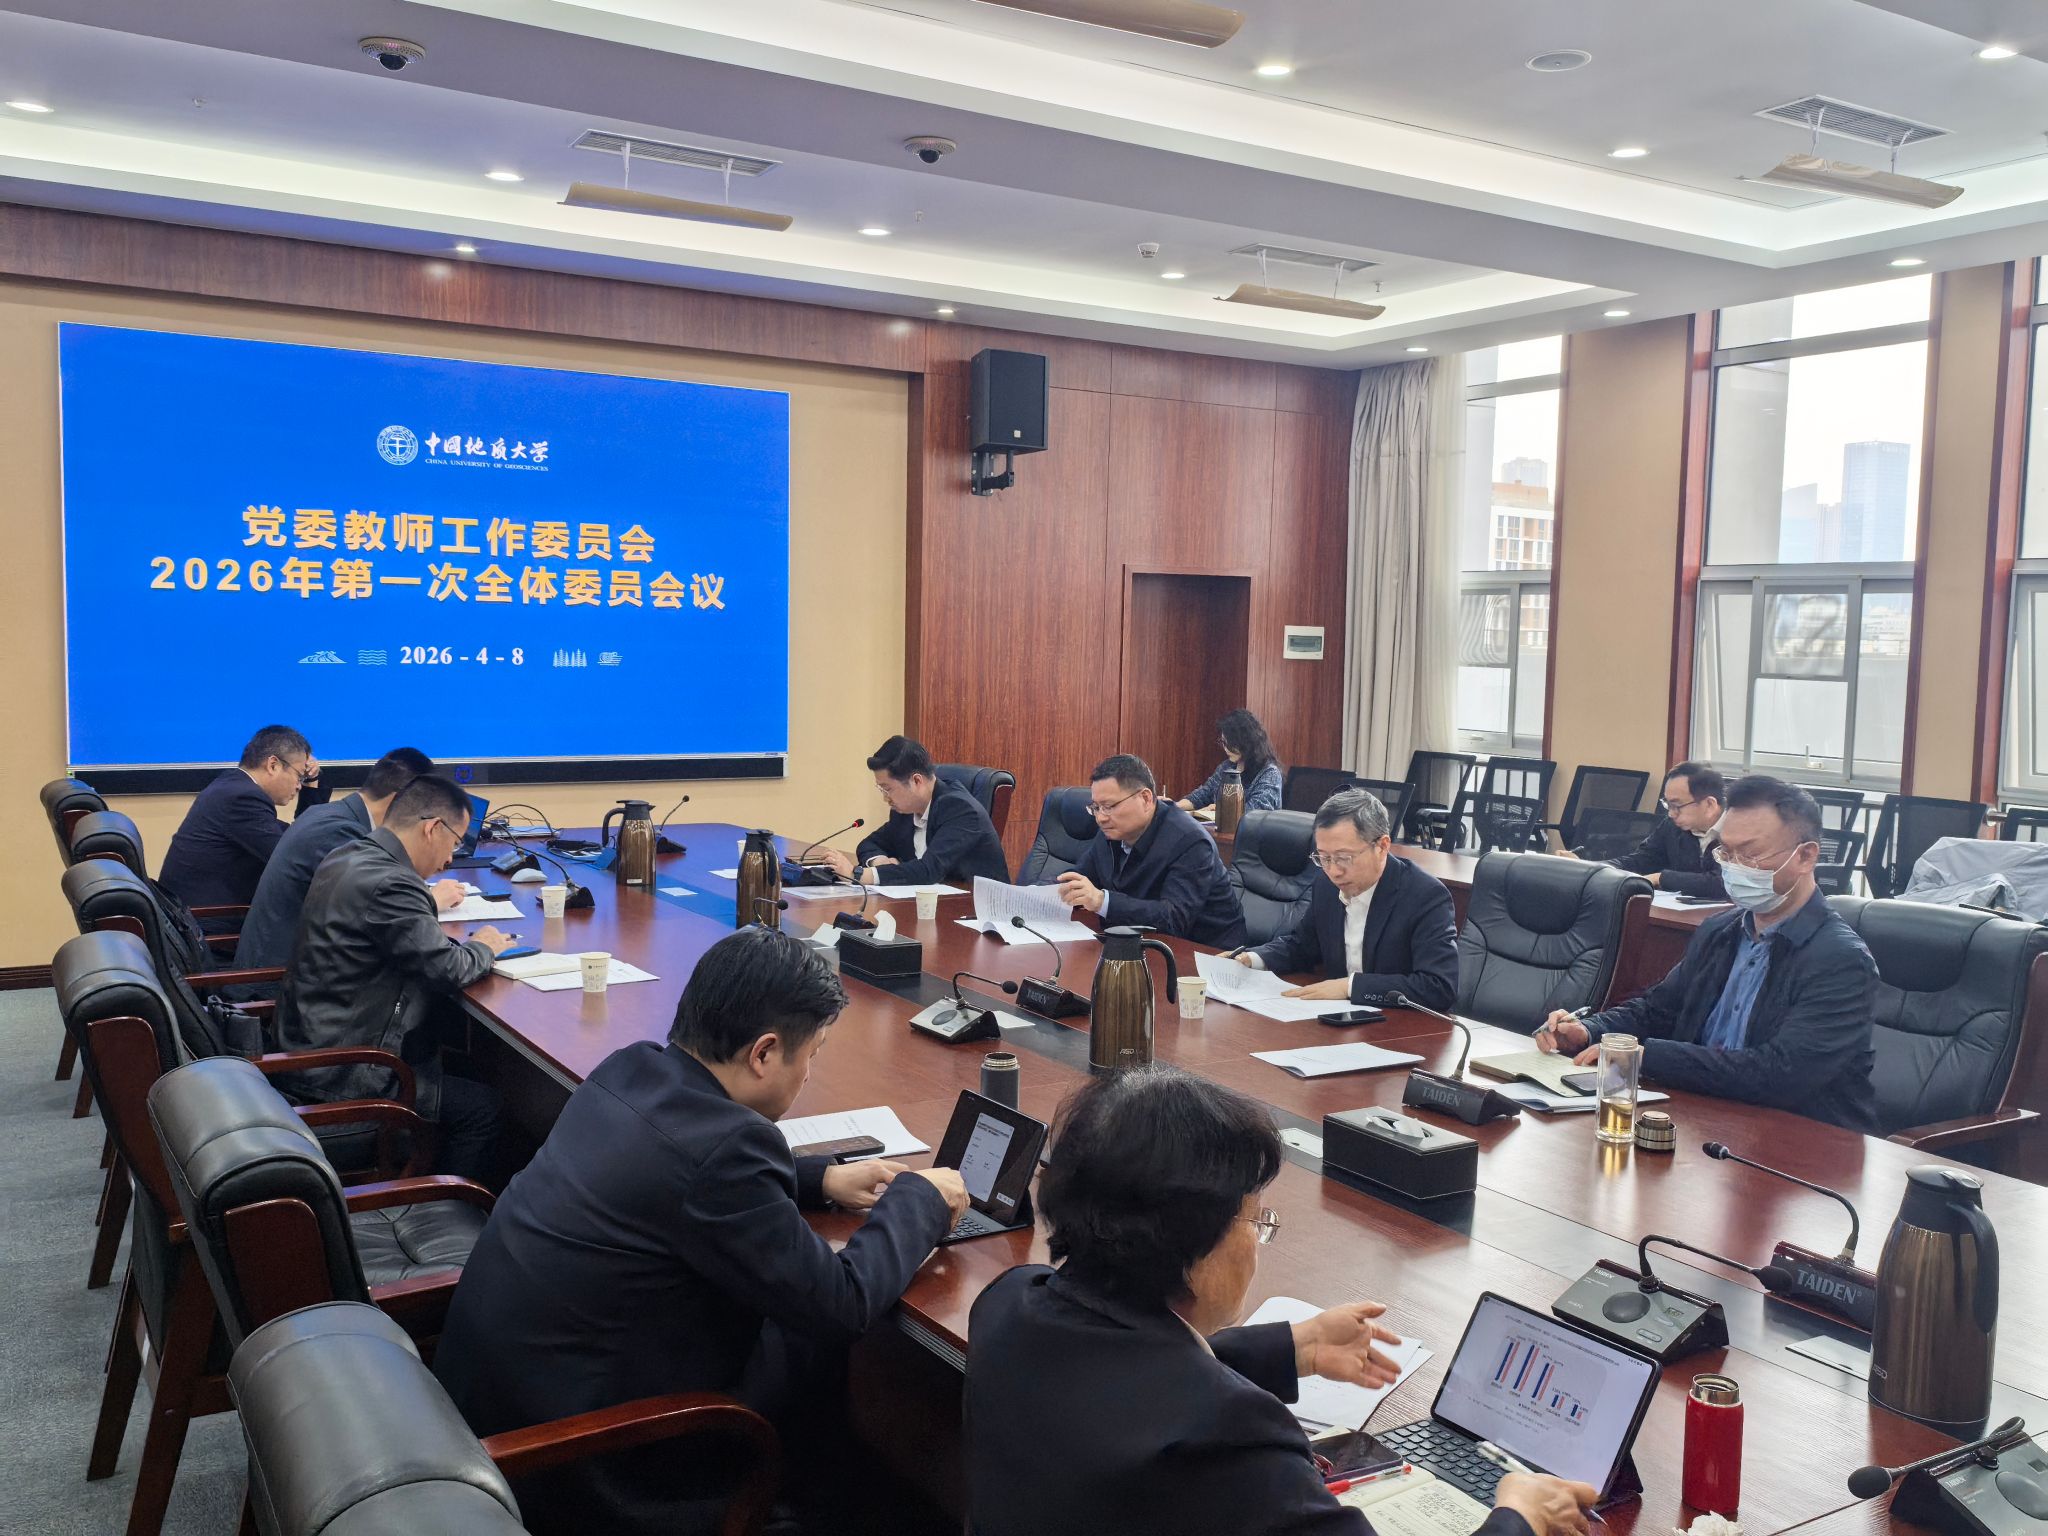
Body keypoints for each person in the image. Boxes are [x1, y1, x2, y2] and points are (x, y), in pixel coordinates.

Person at [433, 926, 967, 1536]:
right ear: (764, 1053)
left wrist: (821, 1178)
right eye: (813, 1053)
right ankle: (820, 1502)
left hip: (498, 1407)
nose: (809, 1071)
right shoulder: (729, 1151)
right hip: (587, 1464)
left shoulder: (630, 1069)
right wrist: (920, 1201)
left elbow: (680, 1169)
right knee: (815, 1332)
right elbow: (841, 1304)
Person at [966, 1066, 1598, 1536]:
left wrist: (1290, 1348)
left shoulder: (1009, 1304)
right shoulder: (1230, 1433)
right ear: (1191, 1243)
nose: (1258, 1239)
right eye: (1254, 1219)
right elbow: (1176, 1408)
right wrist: (1519, 1516)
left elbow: (1130, 1381)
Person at [1534, 775, 1878, 1131]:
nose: (1734, 866)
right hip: (1705, 1117)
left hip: (1802, 1139)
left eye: (1750, 854)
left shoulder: (1841, 960)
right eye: (1726, 853)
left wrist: (1648, 1058)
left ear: (1805, 857)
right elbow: (1657, 1010)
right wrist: (1590, 1030)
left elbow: (1780, 1074)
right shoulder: (1721, 930)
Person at [273, 774, 517, 1181]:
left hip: (312, 1043)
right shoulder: (392, 882)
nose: (450, 859)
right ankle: (443, 1207)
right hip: (344, 1072)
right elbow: (449, 968)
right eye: (455, 843)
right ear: (432, 828)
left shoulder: (348, 854)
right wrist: (486, 947)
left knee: (465, 1063)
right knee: (484, 1109)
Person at [231, 747, 460, 980]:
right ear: (398, 801)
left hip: (289, 968)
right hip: (273, 981)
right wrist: (431, 901)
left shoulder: (328, 814)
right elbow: (380, 913)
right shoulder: (342, 835)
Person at [1237, 788, 1458, 1011]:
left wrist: (1350, 987)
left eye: (1344, 858)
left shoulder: (1425, 896)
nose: (1334, 871)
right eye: (1324, 858)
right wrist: (1253, 958)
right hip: (1338, 1018)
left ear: (1382, 846)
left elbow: (1438, 986)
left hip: (1399, 1023)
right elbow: (1302, 945)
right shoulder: (1325, 885)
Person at [1057, 754, 1246, 947]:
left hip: (1204, 953)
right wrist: (1056, 890)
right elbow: (1081, 877)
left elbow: (1173, 919)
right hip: (1138, 943)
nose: (1101, 818)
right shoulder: (1111, 832)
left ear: (1146, 799)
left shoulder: (1190, 841)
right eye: (1096, 807)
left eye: (1109, 806)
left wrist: (1101, 901)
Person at [157, 724, 320, 920]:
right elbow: (295, 859)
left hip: (194, 914)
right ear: (273, 765)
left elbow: (297, 838)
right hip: (206, 924)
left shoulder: (233, 786)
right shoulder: (242, 798)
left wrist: (312, 781)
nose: (299, 786)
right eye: (300, 776)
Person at [818, 734, 1010, 887]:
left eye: (887, 789)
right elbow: (869, 844)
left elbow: (929, 871)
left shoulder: (960, 809)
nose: (885, 798)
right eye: (881, 789)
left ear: (916, 781)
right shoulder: (904, 811)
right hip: (926, 906)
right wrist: (879, 862)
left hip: (973, 912)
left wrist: (858, 874)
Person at [1562, 762, 1725, 897]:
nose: (1671, 813)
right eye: (1667, 804)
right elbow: (1641, 861)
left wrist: (1661, 878)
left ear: (1709, 804)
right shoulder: (1672, 826)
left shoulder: (1735, 831)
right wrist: (1591, 868)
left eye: (1677, 805)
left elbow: (1723, 883)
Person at [1176, 708, 1284, 817]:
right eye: (1223, 742)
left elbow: (1255, 812)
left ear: (1247, 742)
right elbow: (1203, 795)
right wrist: (1173, 806)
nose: (1226, 748)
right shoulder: (1226, 767)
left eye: (1231, 743)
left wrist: (1221, 810)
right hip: (1222, 827)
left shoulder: (1270, 773)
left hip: (1250, 828)